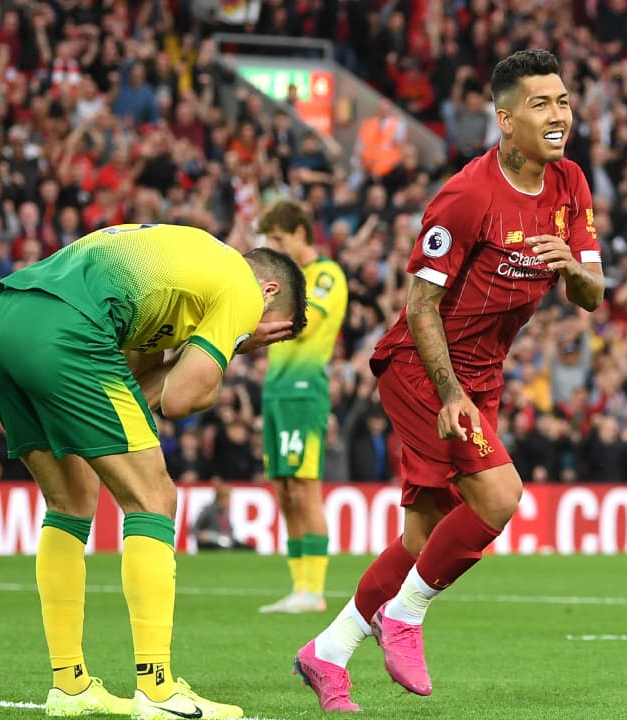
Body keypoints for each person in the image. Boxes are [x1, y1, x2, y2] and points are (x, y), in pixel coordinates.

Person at [290, 49, 605, 711]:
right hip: (423, 368)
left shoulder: (571, 183)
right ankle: (403, 617)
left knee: (422, 536)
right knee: (500, 497)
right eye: (541, 104)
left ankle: (329, 651)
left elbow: (593, 295)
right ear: (506, 120)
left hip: (482, 375)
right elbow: (420, 306)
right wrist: (452, 393)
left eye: (563, 101)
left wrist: (572, 269)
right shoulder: (467, 196)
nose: (558, 116)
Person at [0, 223, 307, 719]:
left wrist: (192, 351)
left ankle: (70, 685)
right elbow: (182, 398)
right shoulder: (241, 283)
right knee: (155, 499)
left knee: (71, 501)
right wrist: (231, 344)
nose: (259, 342)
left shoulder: (184, 272)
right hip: (66, 332)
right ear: (269, 290)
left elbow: (134, 387)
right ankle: (157, 690)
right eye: (269, 333)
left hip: (0, 327)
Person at [255, 199, 349, 614]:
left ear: (299, 233)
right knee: (284, 490)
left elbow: (305, 324)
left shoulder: (326, 275)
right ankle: (298, 587)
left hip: (304, 389)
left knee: (305, 488)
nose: (274, 247)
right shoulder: (283, 280)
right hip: (275, 390)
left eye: (278, 239)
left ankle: (315, 590)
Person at [192, 480, 253, 551]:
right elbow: (194, 530)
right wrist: (201, 535)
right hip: (211, 543)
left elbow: (230, 531)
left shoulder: (225, 513)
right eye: (228, 498)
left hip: (224, 542)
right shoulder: (208, 510)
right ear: (221, 498)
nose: (229, 501)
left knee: (246, 548)